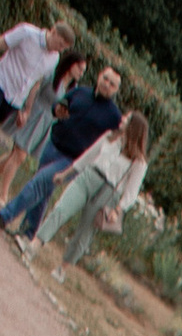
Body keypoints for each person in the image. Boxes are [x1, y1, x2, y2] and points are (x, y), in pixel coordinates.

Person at [1, 58, 121, 236]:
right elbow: (59, 105)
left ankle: (5, 216)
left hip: (72, 159)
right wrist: (57, 109)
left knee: (39, 183)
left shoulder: (113, 116)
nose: (106, 84)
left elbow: (118, 139)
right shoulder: (80, 91)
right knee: (43, 191)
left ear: (115, 90)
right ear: (99, 76)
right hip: (53, 145)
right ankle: (28, 233)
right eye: (105, 78)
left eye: (112, 84)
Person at [30, 109, 147, 273]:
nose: (122, 119)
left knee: (84, 233)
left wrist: (118, 209)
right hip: (88, 177)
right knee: (62, 208)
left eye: (127, 119)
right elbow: (88, 156)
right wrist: (65, 174)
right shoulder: (109, 137)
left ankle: (63, 268)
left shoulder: (138, 161)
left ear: (133, 127)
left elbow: (131, 191)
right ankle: (36, 243)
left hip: (108, 192)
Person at [0, 24, 74, 206]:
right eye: (60, 43)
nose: (60, 48)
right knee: (18, 154)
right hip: (2, 82)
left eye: (64, 47)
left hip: (14, 100)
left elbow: (36, 83)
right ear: (53, 31)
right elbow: (3, 43)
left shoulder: (54, 59)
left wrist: (25, 108)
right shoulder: (27, 33)